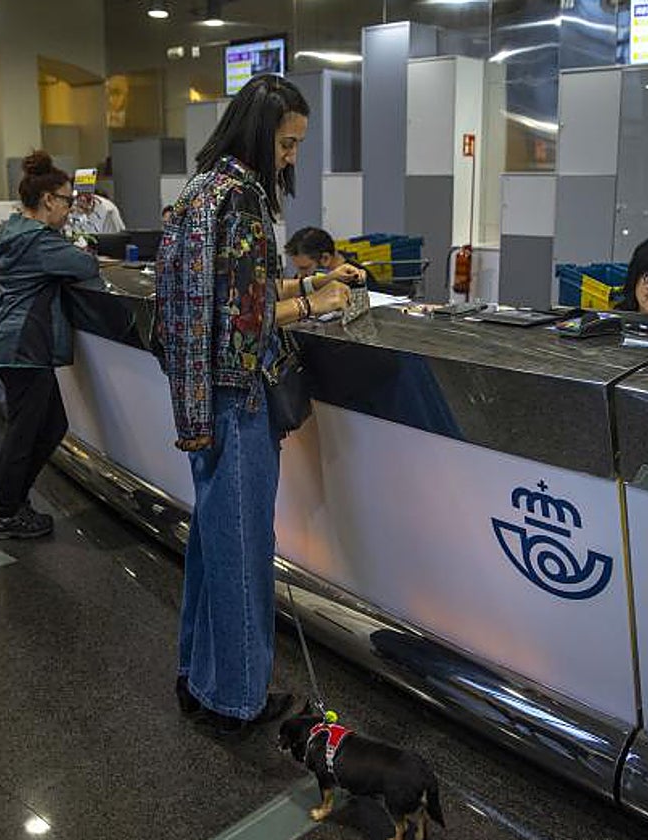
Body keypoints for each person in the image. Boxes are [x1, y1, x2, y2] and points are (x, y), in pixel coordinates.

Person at [156, 74, 365, 736]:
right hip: (238, 394)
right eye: (287, 144)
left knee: (214, 545)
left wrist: (310, 279)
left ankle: (200, 676)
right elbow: (245, 318)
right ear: (259, 133)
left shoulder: (201, 189)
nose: (291, 158)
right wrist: (317, 303)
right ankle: (237, 699)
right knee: (243, 548)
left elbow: (233, 287)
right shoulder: (241, 198)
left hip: (200, 397)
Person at [0, 151, 101, 540]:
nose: (70, 208)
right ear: (49, 200)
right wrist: (83, 251)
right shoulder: (39, 242)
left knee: (52, 425)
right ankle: (6, 514)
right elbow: (85, 266)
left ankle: (15, 504)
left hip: (18, 345)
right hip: (24, 347)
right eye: (67, 200)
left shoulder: (17, 232)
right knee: (24, 434)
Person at [284, 226, 378, 290]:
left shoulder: (355, 279)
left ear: (325, 259)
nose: (300, 275)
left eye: (305, 268)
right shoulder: (304, 276)